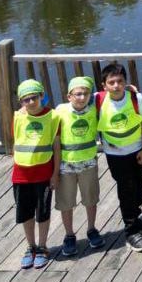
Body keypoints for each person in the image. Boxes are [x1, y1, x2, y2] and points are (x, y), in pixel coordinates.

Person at [96, 62, 142, 253]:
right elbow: (74, 101)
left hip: (137, 151)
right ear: (104, 85)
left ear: (126, 82)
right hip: (115, 155)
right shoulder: (97, 100)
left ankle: (135, 218)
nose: (116, 85)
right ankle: (131, 232)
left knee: (138, 186)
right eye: (111, 82)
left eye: (120, 81)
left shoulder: (136, 97)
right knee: (126, 189)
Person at [13, 79, 60, 270]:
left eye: (34, 98)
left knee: (42, 212)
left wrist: (55, 173)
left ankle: (42, 246)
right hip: (21, 174)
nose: (31, 102)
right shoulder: (18, 116)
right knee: (25, 213)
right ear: (21, 102)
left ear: (42, 96)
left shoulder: (53, 116)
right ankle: (30, 246)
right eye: (26, 99)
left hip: (43, 174)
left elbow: (57, 147)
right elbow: (16, 142)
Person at [55, 76, 102, 256]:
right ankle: (69, 235)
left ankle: (91, 229)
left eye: (85, 94)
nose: (82, 98)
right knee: (66, 202)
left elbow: (106, 96)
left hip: (88, 162)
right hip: (66, 165)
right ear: (69, 96)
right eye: (78, 94)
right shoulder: (60, 111)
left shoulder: (93, 110)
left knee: (91, 199)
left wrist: (130, 90)